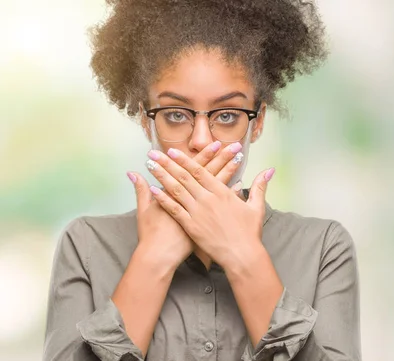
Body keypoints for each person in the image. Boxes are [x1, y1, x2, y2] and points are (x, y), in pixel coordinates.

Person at [43, 0, 361, 360]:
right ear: (146, 121)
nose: (200, 140)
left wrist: (243, 256)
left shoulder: (323, 248)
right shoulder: (85, 246)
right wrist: (153, 259)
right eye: (175, 114)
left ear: (256, 123)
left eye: (227, 115)